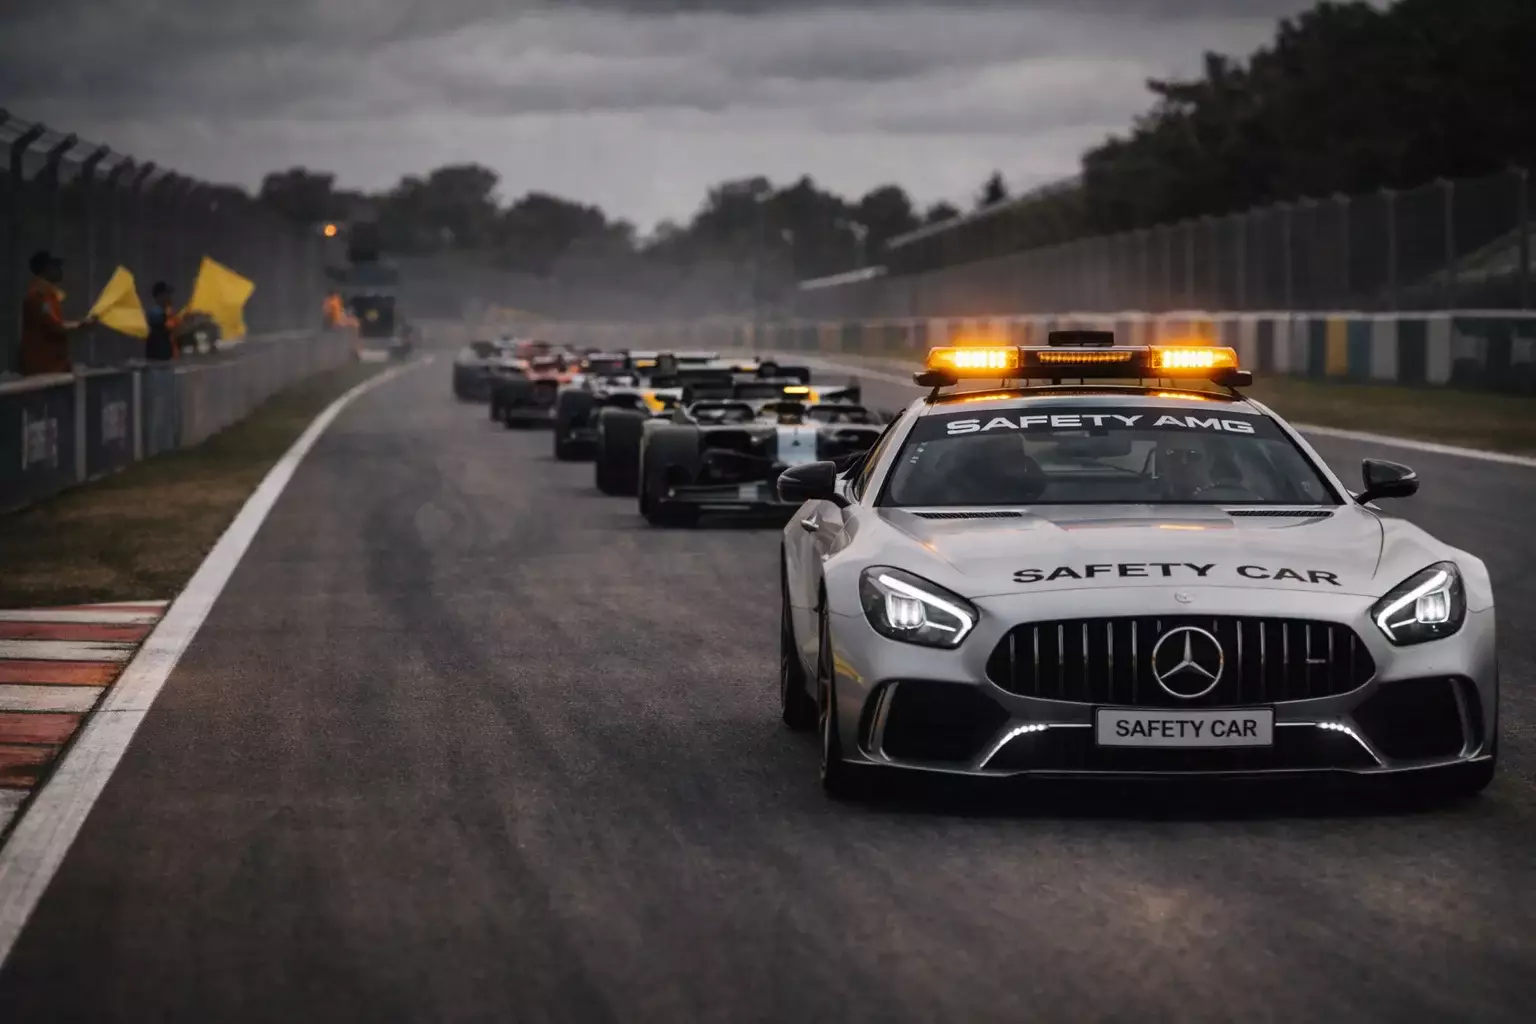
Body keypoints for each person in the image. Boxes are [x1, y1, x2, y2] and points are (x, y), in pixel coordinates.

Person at [19, 251, 95, 376]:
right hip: (43, 368)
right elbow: (55, 326)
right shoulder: (39, 295)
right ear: (46, 269)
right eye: (56, 266)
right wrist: (81, 325)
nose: (60, 270)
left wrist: (80, 324)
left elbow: (55, 324)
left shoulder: (48, 294)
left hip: (52, 366)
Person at [144, 281, 181, 361]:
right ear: (160, 296)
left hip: (166, 359)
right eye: (167, 294)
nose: (169, 297)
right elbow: (169, 327)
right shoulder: (155, 313)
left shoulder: (167, 314)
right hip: (158, 361)